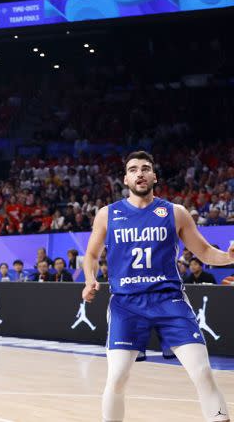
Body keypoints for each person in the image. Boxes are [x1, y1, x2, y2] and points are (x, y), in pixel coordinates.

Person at [82, 151, 233, 422]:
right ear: (125, 179)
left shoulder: (175, 213)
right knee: (117, 377)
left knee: (202, 372)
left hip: (169, 300)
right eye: (133, 169)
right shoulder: (108, 215)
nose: (139, 173)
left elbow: (206, 252)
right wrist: (89, 278)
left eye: (145, 168)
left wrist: (230, 258)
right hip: (126, 304)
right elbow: (91, 255)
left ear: (154, 176)